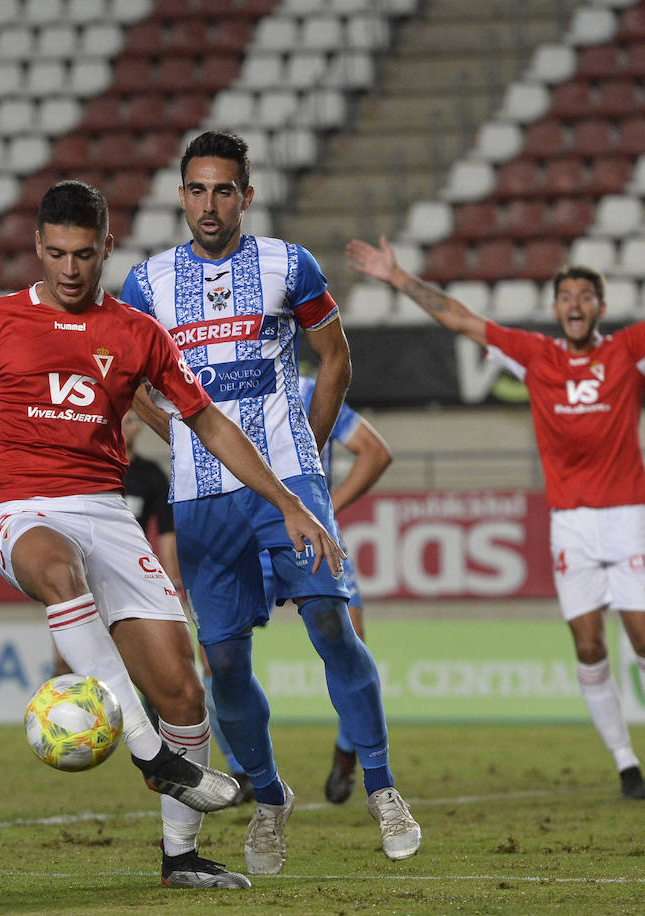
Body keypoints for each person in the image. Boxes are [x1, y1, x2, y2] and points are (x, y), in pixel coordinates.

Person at [0, 179, 344, 889]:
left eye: (85, 254)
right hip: (21, 509)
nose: (71, 269)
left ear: (107, 247)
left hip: (107, 513)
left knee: (183, 692)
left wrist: (289, 501)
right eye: (56, 254)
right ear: (38, 248)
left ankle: (181, 857)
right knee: (58, 572)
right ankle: (150, 755)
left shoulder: (139, 334)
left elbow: (207, 425)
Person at [348, 208, 645, 800]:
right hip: (571, 527)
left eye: (586, 295)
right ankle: (625, 764)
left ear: (600, 308)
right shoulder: (536, 356)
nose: (575, 303)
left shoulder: (631, 350)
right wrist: (399, 277)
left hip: (627, 520)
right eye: (566, 295)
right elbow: (460, 318)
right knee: (589, 646)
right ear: (557, 307)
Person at [121, 130, 421, 873]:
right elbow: (127, 378)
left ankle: (381, 785)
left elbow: (335, 359)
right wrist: (182, 435)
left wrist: (308, 460)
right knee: (222, 663)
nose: (211, 204)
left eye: (225, 190)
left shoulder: (290, 264)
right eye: (198, 189)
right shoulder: (147, 283)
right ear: (182, 195)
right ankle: (268, 795)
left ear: (246, 196)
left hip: (288, 483)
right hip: (203, 499)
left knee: (328, 618)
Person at [294, 373, 395, 805]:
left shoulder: (309, 390)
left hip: (312, 537)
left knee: (348, 643)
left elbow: (374, 452)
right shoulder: (217, 378)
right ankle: (245, 773)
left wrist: (320, 512)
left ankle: (347, 753)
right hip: (245, 536)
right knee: (221, 657)